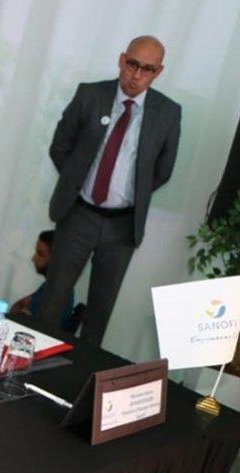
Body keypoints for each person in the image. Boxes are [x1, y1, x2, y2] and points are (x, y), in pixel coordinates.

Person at [38, 35, 181, 346]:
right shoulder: (90, 95)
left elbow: (163, 170)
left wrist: (129, 194)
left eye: (147, 69)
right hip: (79, 215)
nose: (136, 75)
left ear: (158, 72)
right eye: (132, 64)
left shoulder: (168, 113)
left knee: (99, 312)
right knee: (52, 300)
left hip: (122, 225)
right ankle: (31, 364)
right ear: (121, 60)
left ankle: (82, 371)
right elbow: (60, 146)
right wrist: (78, 181)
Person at [10, 230, 76, 332]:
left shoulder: (57, 291)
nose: (33, 258)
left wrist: (22, 307)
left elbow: (22, 318)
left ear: (56, 260)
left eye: (40, 254)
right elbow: (18, 307)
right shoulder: (49, 286)